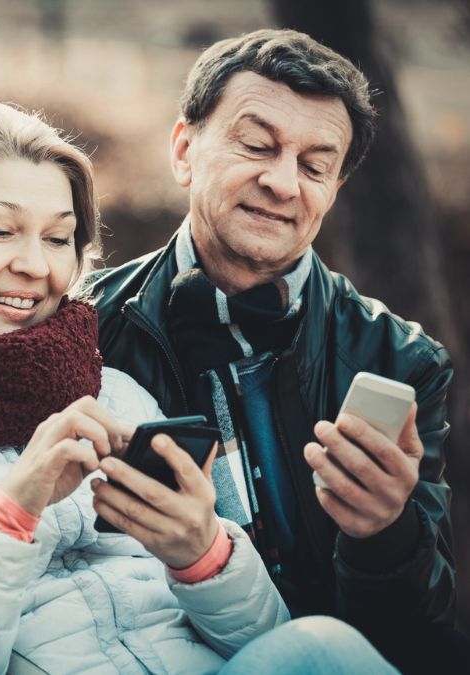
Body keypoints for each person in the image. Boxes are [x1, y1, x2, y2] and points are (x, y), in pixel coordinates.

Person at [0, 102, 399, 675]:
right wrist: (12, 513)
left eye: (58, 238)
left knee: (318, 648)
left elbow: (265, 641)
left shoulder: (116, 392)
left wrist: (205, 555)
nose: (37, 266)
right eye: (1, 230)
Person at [91, 29, 469, 674]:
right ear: (184, 150)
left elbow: (419, 640)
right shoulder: (81, 328)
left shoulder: (400, 359)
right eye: (257, 145)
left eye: (316, 165)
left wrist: (383, 536)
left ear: (334, 190)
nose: (283, 182)